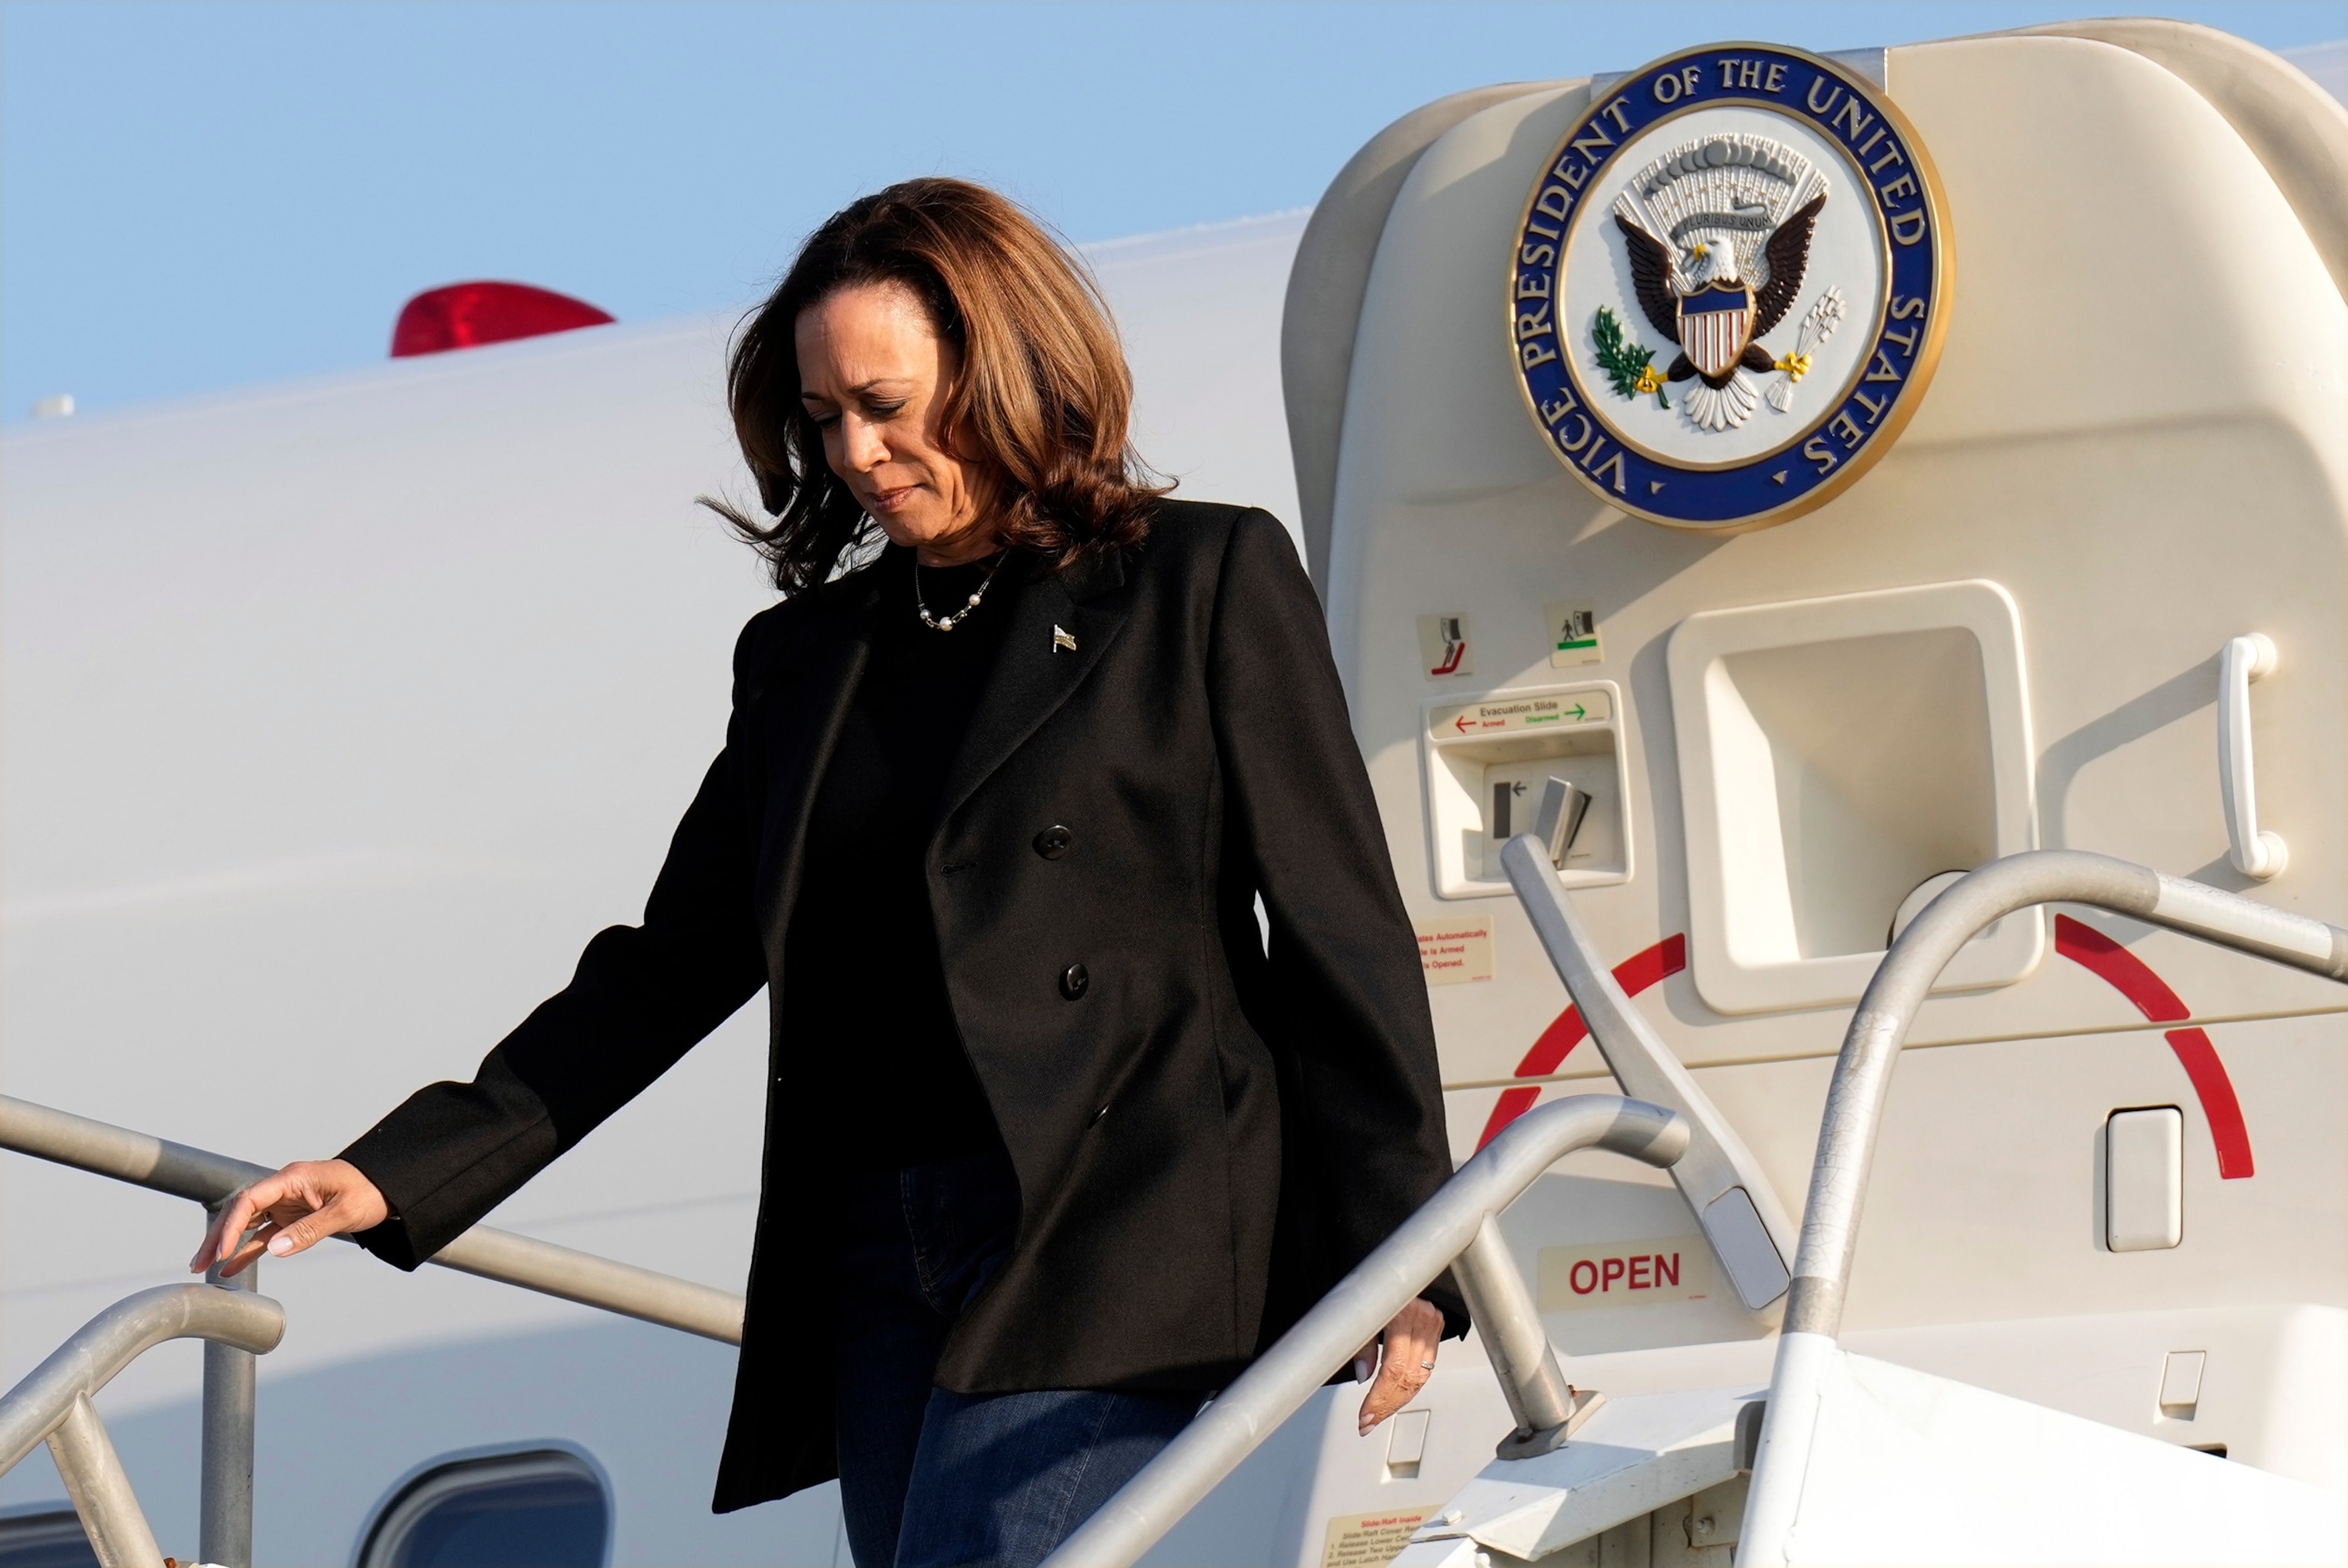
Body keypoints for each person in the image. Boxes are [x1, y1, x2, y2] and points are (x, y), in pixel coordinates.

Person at [193, 177, 1464, 1568]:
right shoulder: (810, 661)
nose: (855, 452)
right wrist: (402, 1170)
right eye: (822, 418)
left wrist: (1404, 1252)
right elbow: (670, 963)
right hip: (879, 1244)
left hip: (1113, 1220)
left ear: (1004, 368)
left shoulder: (1196, 580)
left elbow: (1339, 928)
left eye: (886, 404)